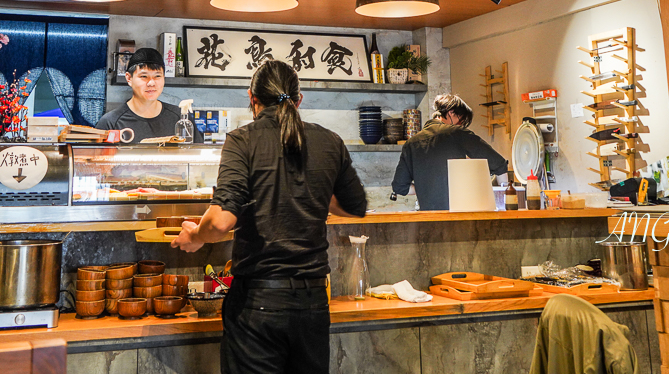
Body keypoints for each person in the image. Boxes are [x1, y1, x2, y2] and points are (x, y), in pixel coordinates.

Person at [171, 59, 367, 374]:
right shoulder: (330, 141)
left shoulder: (243, 139)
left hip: (257, 305)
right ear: (299, 99)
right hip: (314, 301)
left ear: (252, 98)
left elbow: (221, 221)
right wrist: (312, 192)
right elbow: (355, 207)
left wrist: (194, 236)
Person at [391, 93, 509, 211]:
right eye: (460, 120)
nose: (460, 124)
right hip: (459, 218)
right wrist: (506, 204)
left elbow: (400, 187)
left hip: (428, 220)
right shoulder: (457, 133)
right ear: (451, 113)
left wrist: (427, 187)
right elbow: (499, 164)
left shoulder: (411, 143)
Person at [95, 47, 202, 142]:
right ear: (129, 78)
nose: (151, 83)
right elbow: (95, 161)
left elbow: (199, 158)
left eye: (157, 76)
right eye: (144, 76)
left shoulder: (181, 119)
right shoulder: (110, 122)